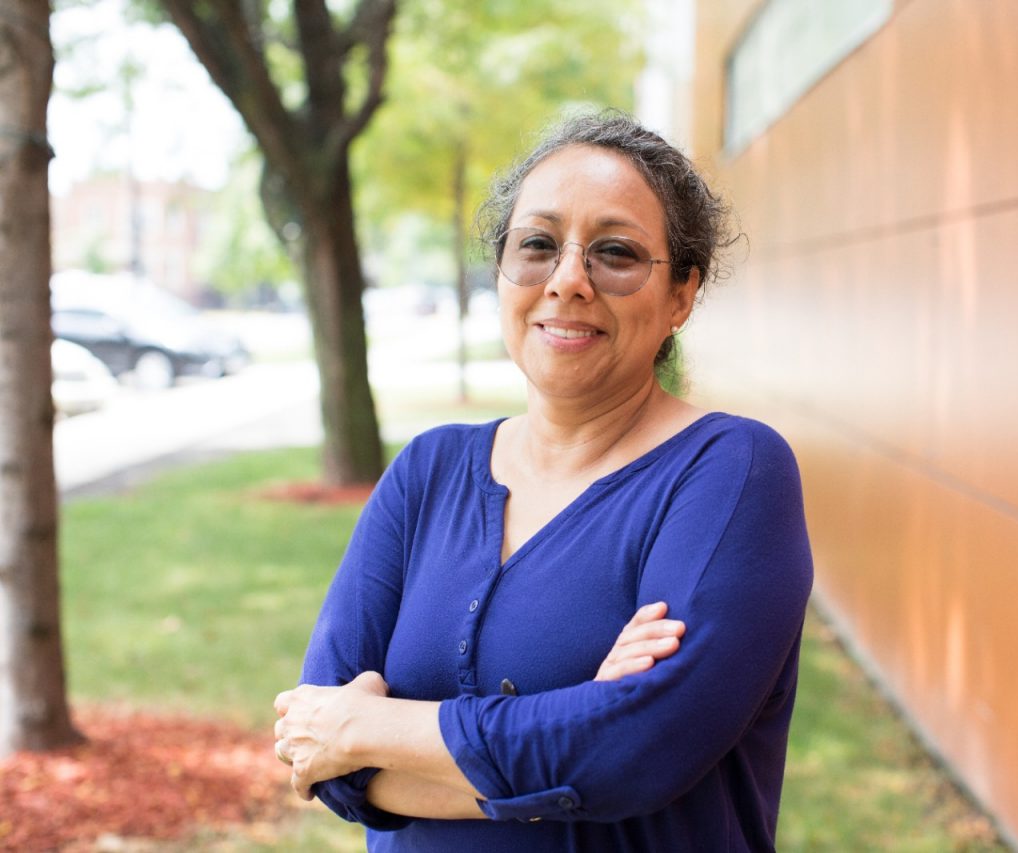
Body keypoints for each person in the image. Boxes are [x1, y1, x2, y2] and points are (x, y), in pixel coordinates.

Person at [272, 111, 814, 852]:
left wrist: (381, 730)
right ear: (502, 271)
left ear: (682, 294)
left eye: (615, 252)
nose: (568, 281)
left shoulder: (729, 471)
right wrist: (579, 723)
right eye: (537, 245)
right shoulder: (426, 473)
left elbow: (638, 750)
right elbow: (319, 751)